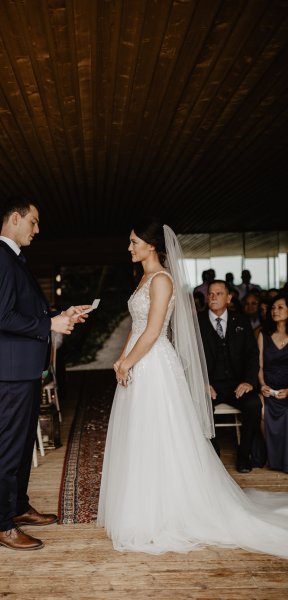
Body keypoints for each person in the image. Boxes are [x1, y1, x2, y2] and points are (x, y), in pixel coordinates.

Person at [97, 219, 288, 558]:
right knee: (141, 434)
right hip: (139, 360)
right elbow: (136, 325)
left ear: (151, 245)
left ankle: (168, 510)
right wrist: (122, 357)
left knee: (162, 433)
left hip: (154, 364)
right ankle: (143, 503)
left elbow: (154, 330)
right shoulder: (143, 277)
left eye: (133, 242)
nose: (129, 248)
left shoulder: (162, 280)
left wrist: (129, 361)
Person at [0, 197, 89, 551]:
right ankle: (1, 524)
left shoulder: (14, 259)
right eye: (34, 222)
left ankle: (18, 507)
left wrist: (62, 312)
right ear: (15, 218)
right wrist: (49, 323)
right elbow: (3, 318)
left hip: (24, 367)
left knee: (25, 440)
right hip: (13, 370)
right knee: (10, 443)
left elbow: (27, 309)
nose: (37, 229)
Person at [198, 280, 262, 472]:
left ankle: (244, 456)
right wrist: (201, 382)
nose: (213, 297)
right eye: (210, 293)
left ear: (229, 298)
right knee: (198, 406)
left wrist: (249, 381)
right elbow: (188, 356)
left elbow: (252, 355)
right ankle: (214, 455)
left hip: (237, 385)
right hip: (210, 385)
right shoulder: (197, 322)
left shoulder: (241, 320)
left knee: (253, 404)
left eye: (218, 293)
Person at [258, 293, 288, 472]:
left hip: (287, 389)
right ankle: (273, 457)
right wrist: (262, 385)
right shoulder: (264, 334)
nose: (275, 311)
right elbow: (259, 366)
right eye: (273, 308)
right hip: (268, 388)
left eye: (280, 307)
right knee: (263, 411)